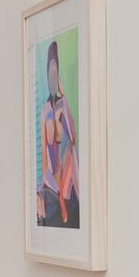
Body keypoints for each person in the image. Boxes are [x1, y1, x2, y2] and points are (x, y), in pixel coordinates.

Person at [37, 39, 79, 227]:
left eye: (55, 74)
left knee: (72, 153)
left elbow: (73, 137)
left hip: (67, 176)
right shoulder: (44, 111)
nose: (52, 79)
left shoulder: (63, 106)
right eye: (50, 74)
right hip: (53, 179)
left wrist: (65, 98)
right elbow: (44, 159)